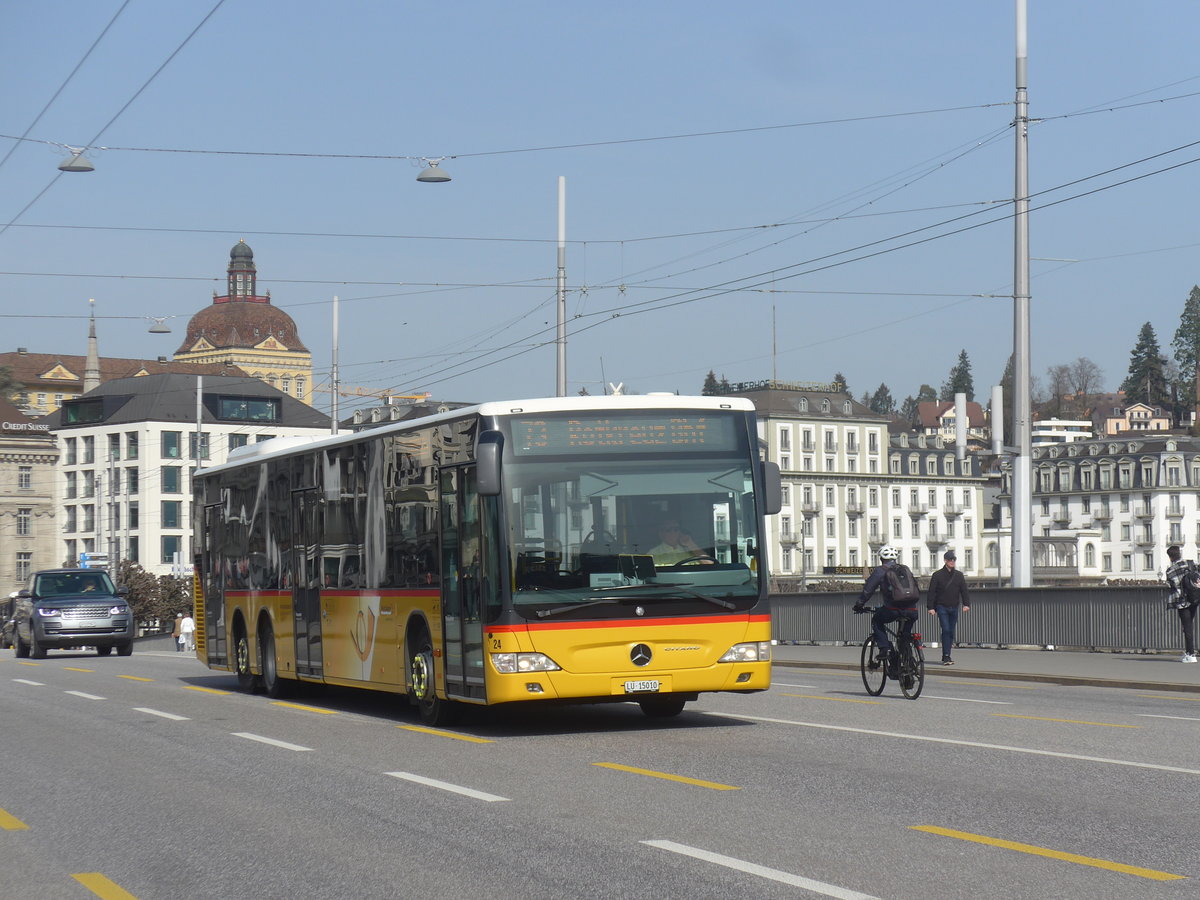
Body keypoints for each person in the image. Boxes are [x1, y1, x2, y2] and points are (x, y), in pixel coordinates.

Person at [853, 545, 918, 674]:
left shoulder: (880, 571)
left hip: (892, 609)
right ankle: (909, 664)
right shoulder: (905, 569)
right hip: (912, 609)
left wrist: (859, 604)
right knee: (904, 637)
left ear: (881, 558)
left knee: (877, 621)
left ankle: (885, 649)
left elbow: (868, 590)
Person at [927, 549, 971, 666]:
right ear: (945, 561)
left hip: (954, 606)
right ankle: (946, 656)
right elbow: (932, 592)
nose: (952, 561)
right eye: (950, 559)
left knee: (950, 631)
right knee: (946, 629)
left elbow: (964, 591)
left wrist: (966, 604)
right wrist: (930, 607)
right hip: (942, 606)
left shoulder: (959, 575)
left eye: (954, 559)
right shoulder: (937, 575)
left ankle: (946, 654)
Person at [1164, 545, 1197, 663]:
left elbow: (1171, 586)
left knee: (1187, 627)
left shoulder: (1170, 570)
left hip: (1182, 601)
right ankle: (1189, 652)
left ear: (1170, 557)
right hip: (1194, 599)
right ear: (1179, 554)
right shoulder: (1190, 563)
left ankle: (1190, 654)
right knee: (1189, 625)